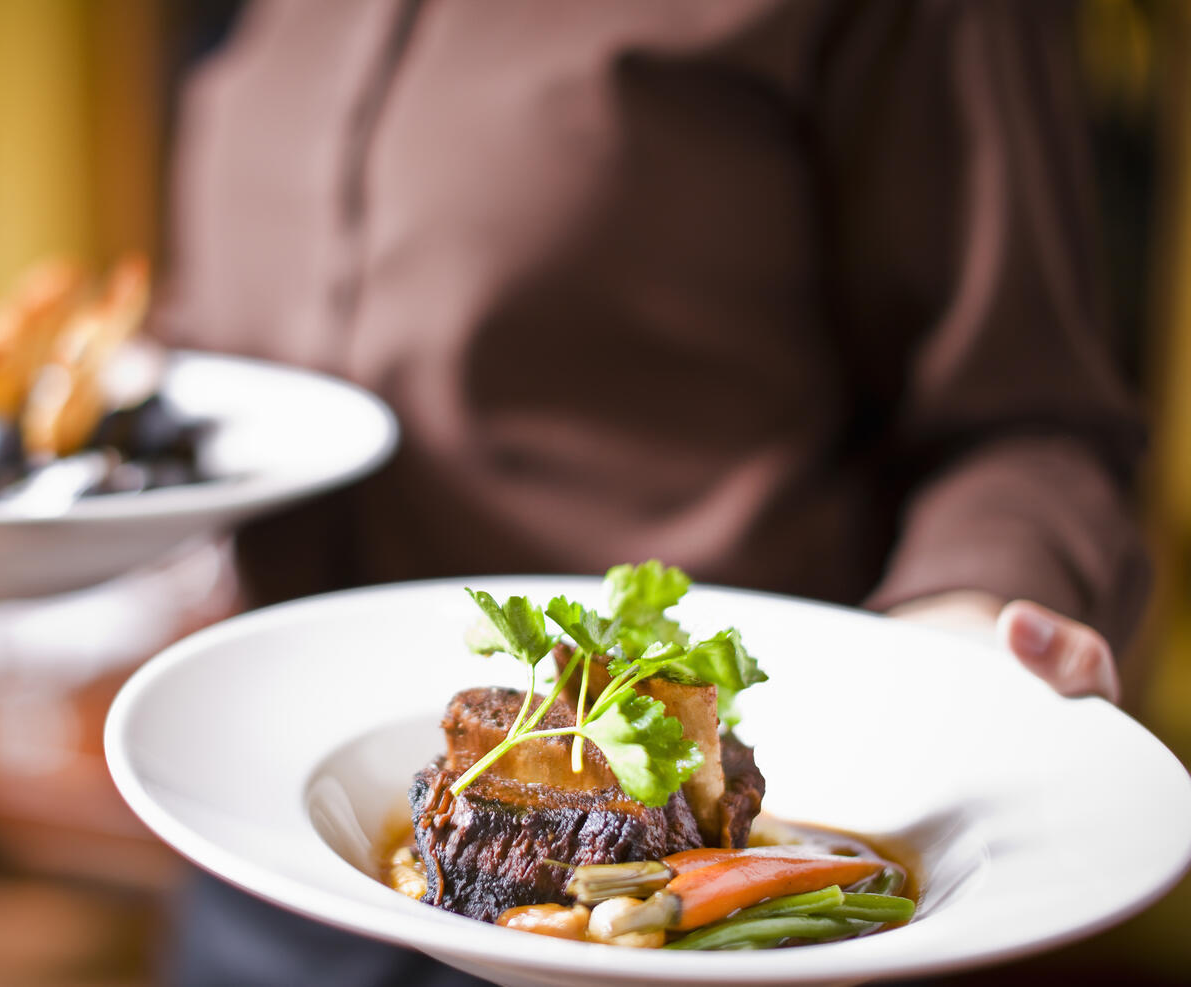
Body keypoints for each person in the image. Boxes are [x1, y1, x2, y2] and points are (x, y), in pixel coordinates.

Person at [150, 2, 1147, 983]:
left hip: (703, 917)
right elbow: (219, 386)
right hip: (273, 862)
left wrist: (961, 622)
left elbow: (1029, 420)